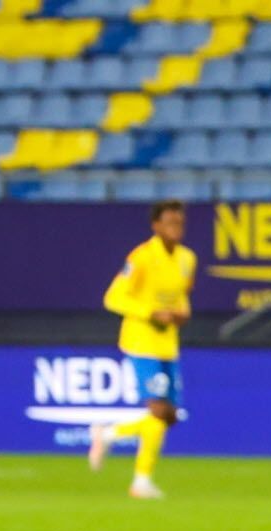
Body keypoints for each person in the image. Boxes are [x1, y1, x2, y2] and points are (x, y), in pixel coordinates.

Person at [89, 199, 195, 499]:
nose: (176, 228)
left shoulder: (187, 259)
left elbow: (181, 296)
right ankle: (141, 480)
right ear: (156, 226)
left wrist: (182, 312)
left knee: (170, 415)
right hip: (141, 341)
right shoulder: (142, 257)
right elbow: (113, 298)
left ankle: (110, 436)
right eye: (170, 222)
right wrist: (150, 313)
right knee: (158, 409)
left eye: (180, 222)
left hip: (168, 343)